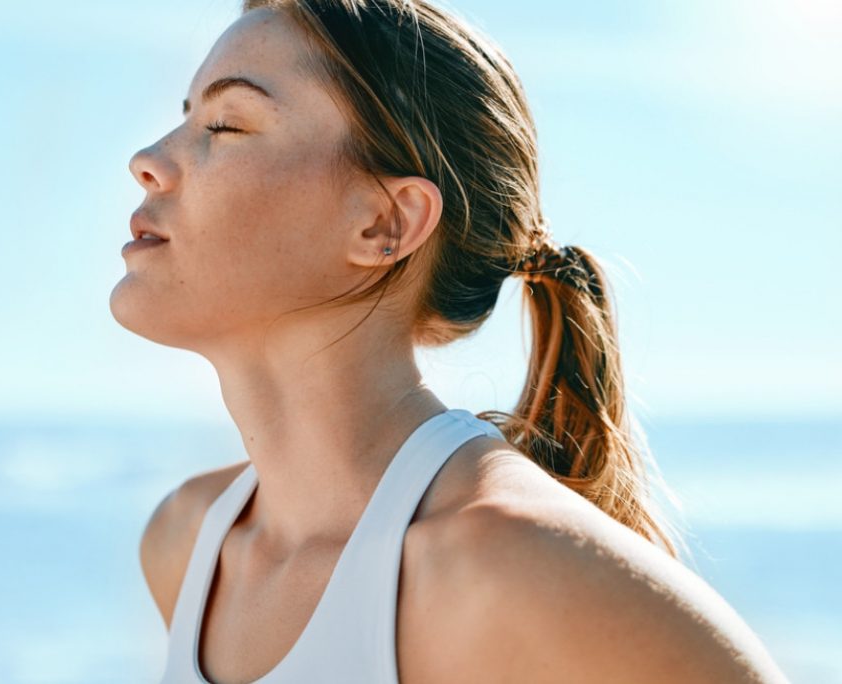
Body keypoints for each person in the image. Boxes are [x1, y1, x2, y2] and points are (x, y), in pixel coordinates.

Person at [112, 1, 789, 682]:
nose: (149, 159)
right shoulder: (187, 543)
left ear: (385, 223)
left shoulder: (510, 567)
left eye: (224, 124)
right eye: (184, 115)